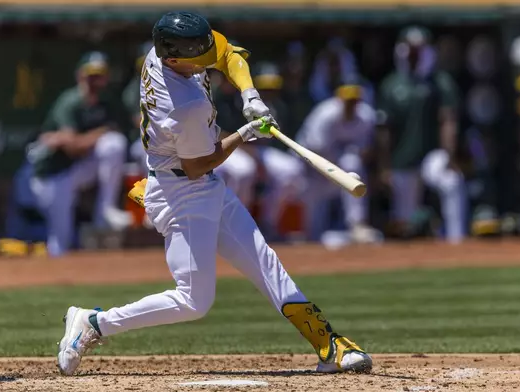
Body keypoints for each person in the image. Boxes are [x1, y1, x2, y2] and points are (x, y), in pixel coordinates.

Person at [56, 11, 372, 376]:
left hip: (194, 183)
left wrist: (249, 93)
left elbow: (227, 54)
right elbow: (198, 164)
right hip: (183, 192)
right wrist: (245, 133)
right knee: (193, 301)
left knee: (264, 262)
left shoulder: (163, 53)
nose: (207, 60)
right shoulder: (186, 105)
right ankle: (94, 323)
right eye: (198, 56)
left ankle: (328, 344)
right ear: (174, 58)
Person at [27, 51, 132, 257]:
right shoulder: (70, 101)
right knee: (60, 240)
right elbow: (72, 146)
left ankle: (105, 211)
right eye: (90, 75)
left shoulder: (107, 102)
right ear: (80, 76)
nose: (94, 81)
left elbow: (115, 135)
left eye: (99, 75)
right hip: (51, 175)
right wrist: (100, 132)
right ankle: (54, 276)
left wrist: (91, 138)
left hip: (76, 169)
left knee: (114, 145)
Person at [379, 26, 468, 243]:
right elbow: (384, 129)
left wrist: (449, 155)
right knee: (404, 218)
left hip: (432, 156)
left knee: (451, 182)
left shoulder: (439, 81)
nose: (414, 54)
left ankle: (457, 241)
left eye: (418, 50)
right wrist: (384, 167)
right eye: (410, 50)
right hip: (402, 158)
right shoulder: (392, 85)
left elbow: (448, 119)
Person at [214, 62, 305, 240]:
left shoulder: (274, 105)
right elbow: (218, 133)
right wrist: (252, 154)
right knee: (244, 170)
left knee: (291, 170)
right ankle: (235, 225)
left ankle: (267, 223)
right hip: (227, 148)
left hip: (254, 149)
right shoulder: (219, 97)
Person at [296, 78, 382, 245]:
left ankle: (357, 225)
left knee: (353, 166)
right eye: (348, 101)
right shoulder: (324, 115)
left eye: (354, 101)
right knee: (314, 223)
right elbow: (315, 151)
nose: (351, 105)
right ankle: (308, 240)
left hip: (337, 164)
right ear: (339, 100)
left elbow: (365, 151)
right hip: (309, 165)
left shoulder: (366, 116)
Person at [123, 42, 154, 174]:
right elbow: (140, 122)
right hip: (141, 140)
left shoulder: (171, 86)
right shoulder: (133, 89)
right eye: (146, 64)